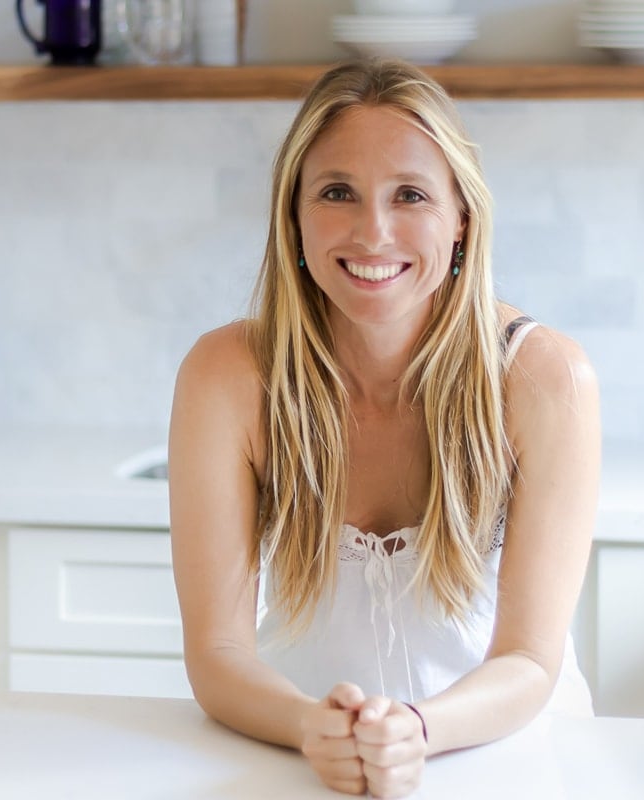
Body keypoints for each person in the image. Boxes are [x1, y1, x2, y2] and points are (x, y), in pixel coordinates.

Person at [167, 57, 600, 799]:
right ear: (293, 216)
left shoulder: (543, 379)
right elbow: (217, 652)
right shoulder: (228, 376)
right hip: (301, 758)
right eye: (337, 192)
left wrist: (418, 733)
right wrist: (310, 726)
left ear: (462, 219)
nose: (374, 232)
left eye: (411, 195)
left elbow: (531, 660)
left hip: (504, 758)